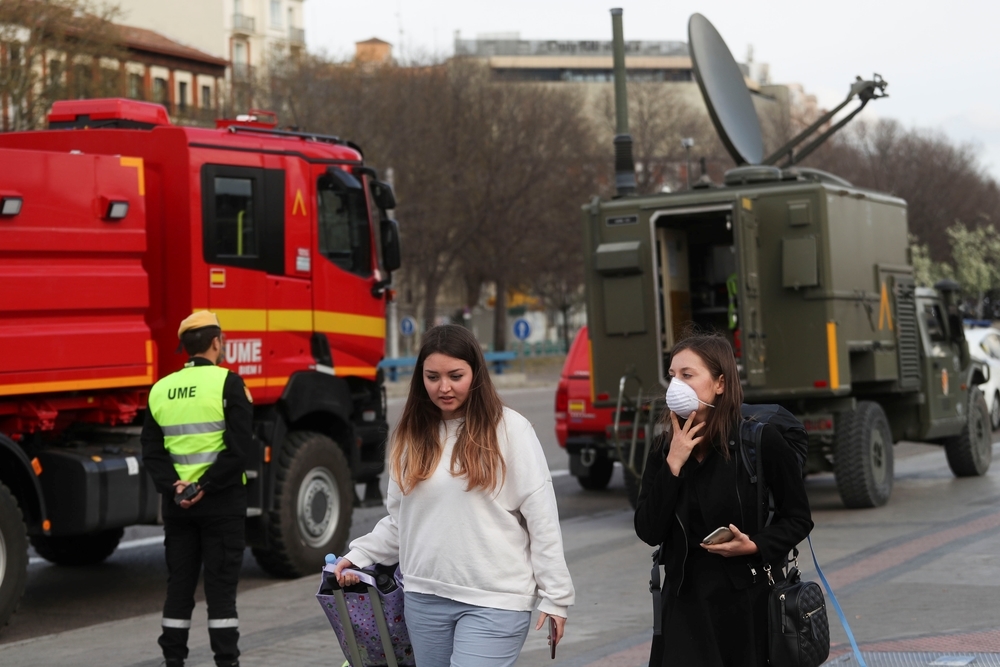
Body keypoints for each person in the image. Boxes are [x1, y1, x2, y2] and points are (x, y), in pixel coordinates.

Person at [333, 324, 574, 667]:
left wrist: (556, 597)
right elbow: (403, 521)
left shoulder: (510, 429)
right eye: (432, 377)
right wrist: (358, 554)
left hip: (496, 601)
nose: (443, 387)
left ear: (475, 374)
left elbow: (542, 519)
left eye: (455, 375)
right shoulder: (409, 437)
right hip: (422, 599)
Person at [634, 333, 813, 667]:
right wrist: (673, 465)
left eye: (688, 375)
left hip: (746, 608)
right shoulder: (665, 448)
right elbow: (648, 529)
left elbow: (799, 518)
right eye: (672, 375)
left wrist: (755, 545)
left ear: (719, 383)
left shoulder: (758, 442)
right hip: (684, 609)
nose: (676, 385)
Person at [141, 311, 253, 667]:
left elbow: (152, 452)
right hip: (221, 505)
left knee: (179, 588)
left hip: (178, 507)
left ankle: (173, 661)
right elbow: (239, 450)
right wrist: (205, 485)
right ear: (216, 342)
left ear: (184, 347)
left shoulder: (160, 389)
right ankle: (226, 662)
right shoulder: (229, 383)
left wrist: (175, 487)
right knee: (220, 594)